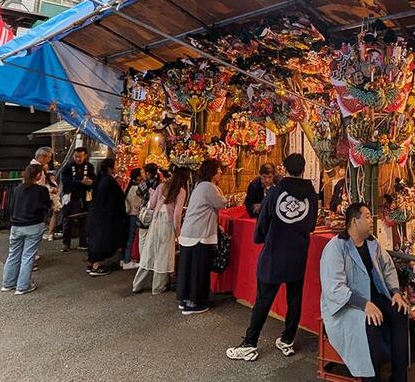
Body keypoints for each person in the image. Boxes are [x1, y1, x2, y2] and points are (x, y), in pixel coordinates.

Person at [226, 153, 319, 362]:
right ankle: (287, 339)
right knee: (295, 297)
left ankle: (250, 343)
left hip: (275, 251)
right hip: (298, 252)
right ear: (303, 169)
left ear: (284, 169)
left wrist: (266, 237)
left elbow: (264, 220)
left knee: (264, 297)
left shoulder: (276, 193)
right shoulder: (311, 195)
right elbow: (311, 224)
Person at [317, 202, 410, 382]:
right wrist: (364, 304)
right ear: (354, 221)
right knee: (370, 322)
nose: (371, 221)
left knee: (400, 312)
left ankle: (399, 377)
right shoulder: (335, 247)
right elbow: (333, 288)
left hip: (373, 297)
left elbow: (388, 267)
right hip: (346, 304)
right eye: (367, 217)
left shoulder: (372, 242)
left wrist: (396, 292)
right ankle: (371, 378)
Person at [176, 158, 226, 315]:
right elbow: (222, 203)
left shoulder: (200, 185)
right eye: (218, 169)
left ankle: (185, 300)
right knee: (198, 270)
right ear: (212, 171)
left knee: (187, 269)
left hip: (190, 233)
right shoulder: (209, 187)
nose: (221, 172)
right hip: (199, 235)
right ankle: (195, 302)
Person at [133, 166, 191, 294]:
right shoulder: (181, 191)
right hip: (168, 223)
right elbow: (177, 215)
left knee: (149, 251)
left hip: (155, 220)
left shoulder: (162, 186)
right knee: (163, 254)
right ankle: (157, 287)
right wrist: (178, 232)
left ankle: (136, 285)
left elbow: (152, 204)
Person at [1, 164, 50, 295]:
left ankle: (8, 283)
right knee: (28, 256)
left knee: (13, 255)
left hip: (16, 225)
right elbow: (46, 206)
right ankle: (22, 286)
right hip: (34, 225)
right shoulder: (41, 190)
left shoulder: (17, 189)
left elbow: (10, 206)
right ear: (39, 175)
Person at [85, 158, 128, 276]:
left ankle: (92, 262)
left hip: (97, 214)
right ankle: (96, 265)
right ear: (110, 168)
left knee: (96, 238)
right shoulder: (108, 181)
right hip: (105, 216)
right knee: (102, 239)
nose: (118, 167)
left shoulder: (100, 179)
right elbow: (116, 198)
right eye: (116, 165)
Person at [60, 146, 95, 252]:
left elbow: (93, 178)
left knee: (84, 220)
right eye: (76, 156)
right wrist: (80, 182)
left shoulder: (89, 167)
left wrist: (91, 182)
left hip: (85, 197)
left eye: (80, 156)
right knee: (68, 220)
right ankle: (66, 243)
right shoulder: (68, 167)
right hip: (71, 196)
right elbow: (65, 181)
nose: (78, 159)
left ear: (85, 156)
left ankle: (83, 242)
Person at [30, 147, 61, 241]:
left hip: (36, 199)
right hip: (37, 199)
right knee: (35, 224)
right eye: (49, 157)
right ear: (42, 157)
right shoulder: (37, 169)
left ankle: (49, 233)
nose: (50, 160)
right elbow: (38, 185)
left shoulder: (37, 167)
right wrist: (50, 190)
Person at [121, 168, 144, 269]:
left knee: (128, 236)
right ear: (138, 176)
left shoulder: (129, 187)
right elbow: (138, 203)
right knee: (131, 237)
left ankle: (124, 259)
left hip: (130, 214)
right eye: (142, 173)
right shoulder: (136, 189)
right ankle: (127, 260)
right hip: (134, 214)